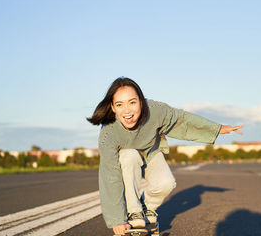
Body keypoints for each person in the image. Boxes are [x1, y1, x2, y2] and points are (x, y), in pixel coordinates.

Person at [87, 77, 243, 235]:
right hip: (127, 159)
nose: (127, 110)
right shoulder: (108, 133)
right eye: (120, 105)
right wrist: (117, 220)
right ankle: (135, 214)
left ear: (141, 101)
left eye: (132, 102)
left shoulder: (156, 110)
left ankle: (148, 210)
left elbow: (182, 120)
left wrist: (216, 129)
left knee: (167, 183)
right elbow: (110, 175)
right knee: (129, 156)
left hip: (151, 152)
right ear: (113, 107)